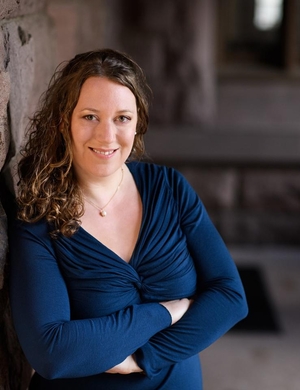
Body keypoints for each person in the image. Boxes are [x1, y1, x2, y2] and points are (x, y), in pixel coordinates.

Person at [9, 48, 248, 390]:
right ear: (64, 121)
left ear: (138, 124)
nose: (107, 136)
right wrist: (167, 311)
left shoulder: (169, 188)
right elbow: (52, 352)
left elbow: (229, 298)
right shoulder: (39, 218)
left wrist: (142, 359)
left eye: (122, 118)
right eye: (90, 116)